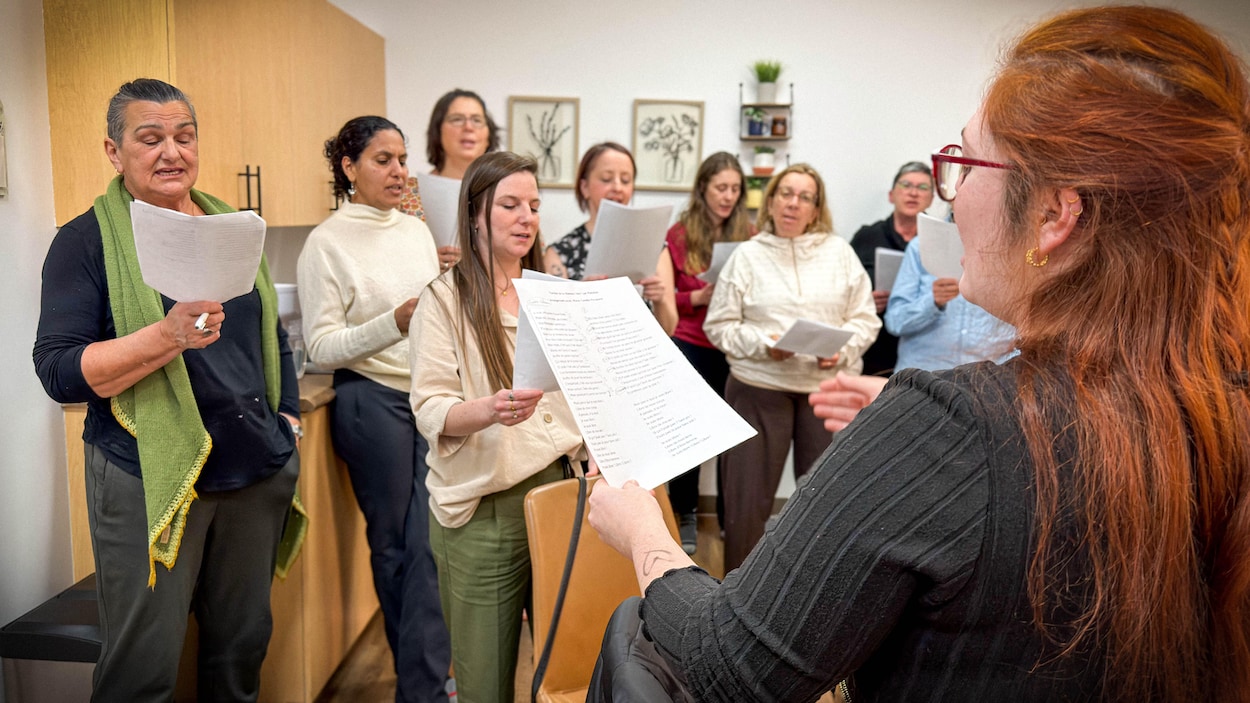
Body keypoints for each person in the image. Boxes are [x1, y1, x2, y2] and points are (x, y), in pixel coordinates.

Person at [587, 6, 1250, 700]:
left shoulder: (946, 427)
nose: (949, 199)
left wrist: (645, 531)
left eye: (962, 163)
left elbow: (727, 665)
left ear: (1055, 215)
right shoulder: (1220, 398)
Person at [32, 78, 305, 702]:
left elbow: (272, 331)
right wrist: (167, 336)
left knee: (238, 658)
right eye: (150, 138)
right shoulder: (85, 242)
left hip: (254, 473)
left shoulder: (232, 226)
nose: (170, 152)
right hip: (146, 475)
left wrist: (287, 417)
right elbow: (59, 371)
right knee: (141, 672)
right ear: (113, 150)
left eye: (184, 137)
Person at [410, 152, 586, 703]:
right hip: (487, 508)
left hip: (562, 491)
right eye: (510, 204)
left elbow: (581, 390)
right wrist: (490, 409)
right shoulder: (443, 300)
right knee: (485, 683)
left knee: (563, 672)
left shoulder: (550, 290)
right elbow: (432, 409)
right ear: (475, 214)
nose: (526, 217)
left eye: (533, 205)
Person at [296, 116, 451, 703]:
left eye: (402, 159)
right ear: (348, 168)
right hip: (369, 402)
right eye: (383, 159)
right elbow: (320, 347)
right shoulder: (326, 244)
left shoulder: (414, 230)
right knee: (393, 548)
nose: (399, 171)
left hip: (426, 398)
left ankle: (422, 682)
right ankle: (422, 683)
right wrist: (395, 321)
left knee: (428, 544)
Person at [703, 163, 880, 571]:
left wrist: (841, 348)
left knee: (825, 501)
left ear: (816, 209)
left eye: (804, 196)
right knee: (747, 504)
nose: (793, 203)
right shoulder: (748, 255)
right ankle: (736, 596)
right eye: (785, 193)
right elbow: (720, 325)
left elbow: (865, 318)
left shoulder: (840, 254)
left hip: (825, 389)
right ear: (771, 200)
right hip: (757, 387)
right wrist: (766, 346)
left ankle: (810, 594)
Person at [653, 151, 754, 553]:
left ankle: (733, 514)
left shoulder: (748, 233)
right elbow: (661, 293)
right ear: (703, 188)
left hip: (731, 342)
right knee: (690, 432)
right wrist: (699, 294)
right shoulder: (679, 234)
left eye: (734, 188)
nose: (728, 196)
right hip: (690, 340)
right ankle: (687, 511)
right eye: (720, 188)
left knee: (734, 433)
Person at [849, 161, 936, 375]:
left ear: (932, 199)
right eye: (906, 185)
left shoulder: (937, 242)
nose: (913, 193)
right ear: (891, 195)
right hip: (874, 349)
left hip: (922, 350)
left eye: (923, 187)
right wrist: (865, 300)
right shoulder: (866, 237)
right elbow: (843, 290)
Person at [884, 238, 1016, 371]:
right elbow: (895, 322)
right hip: (920, 378)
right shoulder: (921, 246)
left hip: (986, 380)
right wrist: (932, 302)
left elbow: (1026, 333)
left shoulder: (1016, 249)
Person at [425, 88, 499, 180]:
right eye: (457, 119)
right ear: (438, 131)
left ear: (489, 135)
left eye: (477, 120)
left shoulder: (508, 189)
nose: (468, 127)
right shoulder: (412, 192)